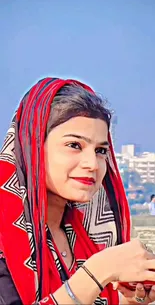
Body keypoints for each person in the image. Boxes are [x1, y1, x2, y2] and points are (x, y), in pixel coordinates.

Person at [0, 77, 155, 305]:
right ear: (31, 147)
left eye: (101, 150)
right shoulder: (6, 236)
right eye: (74, 145)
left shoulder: (81, 233)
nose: (92, 163)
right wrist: (98, 271)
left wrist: (133, 299)